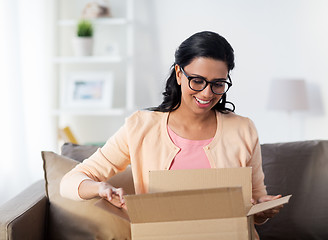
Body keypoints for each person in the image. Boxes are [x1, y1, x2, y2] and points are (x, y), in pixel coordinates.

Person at [60, 31, 282, 227]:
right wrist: (100, 188)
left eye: (218, 83)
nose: (207, 93)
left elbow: (255, 204)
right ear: (179, 74)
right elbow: (69, 183)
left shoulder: (243, 129)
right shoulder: (140, 127)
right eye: (197, 81)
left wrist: (263, 208)